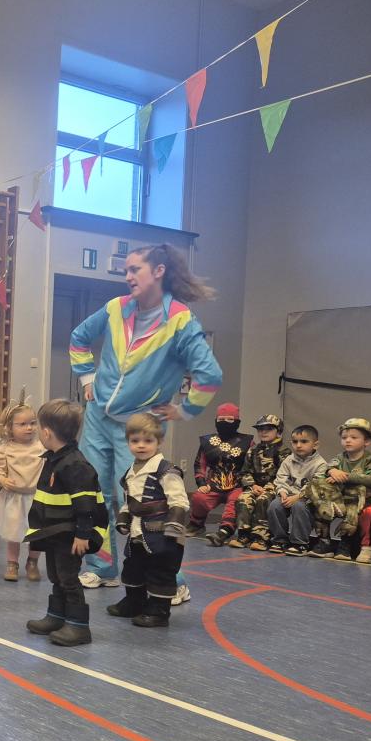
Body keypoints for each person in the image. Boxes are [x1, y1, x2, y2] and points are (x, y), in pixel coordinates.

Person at [69, 243, 222, 595]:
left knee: (143, 504)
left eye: (134, 269)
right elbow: (79, 338)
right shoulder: (116, 308)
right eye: (125, 270)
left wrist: (185, 410)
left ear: (158, 271)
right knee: (93, 496)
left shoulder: (180, 320)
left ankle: (169, 582)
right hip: (97, 418)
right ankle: (102, 567)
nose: (127, 276)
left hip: (138, 428)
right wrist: (88, 378)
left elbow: (209, 374)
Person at [25, 400, 108, 647]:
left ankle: (79, 626)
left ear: (46, 432)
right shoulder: (54, 459)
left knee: (69, 577)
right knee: (56, 575)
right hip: (56, 532)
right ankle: (57, 616)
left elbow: (85, 504)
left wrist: (83, 534)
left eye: (38, 427)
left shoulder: (75, 464)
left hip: (72, 534)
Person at [108, 413, 189, 627]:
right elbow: (129, 501)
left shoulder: (167, 471)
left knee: (160, 572)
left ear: (159, 441)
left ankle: (159, 611)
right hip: (138, 533)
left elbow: (179, 501)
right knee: (133, 568)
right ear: (128, 442)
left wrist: (173, 527)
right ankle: (134, 602)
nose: (141, 445)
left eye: (148, 440)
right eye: (135, 441)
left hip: (163, 535)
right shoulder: (130, 472)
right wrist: (124, 518)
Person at [0, 393, 45, 582]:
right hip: (14, 498)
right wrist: (2, 479)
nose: (29, 427)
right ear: (9, 428)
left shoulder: (41, 447)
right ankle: (12, 563)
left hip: (36, 497)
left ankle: (32, 562)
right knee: (14, 533)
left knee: (36, 532)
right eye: (22, 424)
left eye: (33, 423)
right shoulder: (5, 448)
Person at [305, 418, 371, 560]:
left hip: (359, 500)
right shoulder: (340, 457)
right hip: (339, 497)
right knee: (319, 492)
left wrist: (345, 476)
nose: (348, 440)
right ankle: (324, 542)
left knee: (353, 507)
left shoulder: (370, 460)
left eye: (354, 437)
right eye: (344, 438)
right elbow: (328, 469)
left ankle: (345, 545)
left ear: (367, 441)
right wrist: (332, 471)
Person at [188, 403, 254, 543]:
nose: (225, 422)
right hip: (213, 485)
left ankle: (224, 531)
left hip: (237, 485)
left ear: (237, 422)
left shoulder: (248, 441)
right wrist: (201, 483)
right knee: (199, 497)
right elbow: (200, 464)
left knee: (236, 501)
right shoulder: (207, 441)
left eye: (230, 419)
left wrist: (250, 485)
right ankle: (196, 524)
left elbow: (252, 465)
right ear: (216, 421)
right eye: (221, 419)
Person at [227, 415, 289, 550]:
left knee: (263, 500)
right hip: (255, 486)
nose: (263, 432)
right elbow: (244, 471)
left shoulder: (284, 451)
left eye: (269, 429)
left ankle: (261, 538)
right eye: (260, 429)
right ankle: (243, 535)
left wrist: (268, 487)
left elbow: (284, 475)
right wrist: (252, 485)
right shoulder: (253, 450)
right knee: (243, 498)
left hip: (275, 487)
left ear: (278, 431)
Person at [268, 425, 327, 555]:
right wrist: (282, 492)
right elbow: (281, 478)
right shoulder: (288, 460)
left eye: (304, 441)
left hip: (308, 499)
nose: (298, 445)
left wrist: (297, 497)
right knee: (275, 505)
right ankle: (280, 540)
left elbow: (315, 486)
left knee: (299, 506)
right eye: (295, 442)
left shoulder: (321, 464)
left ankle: (299, 543)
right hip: (288, 495)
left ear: (315, 445)